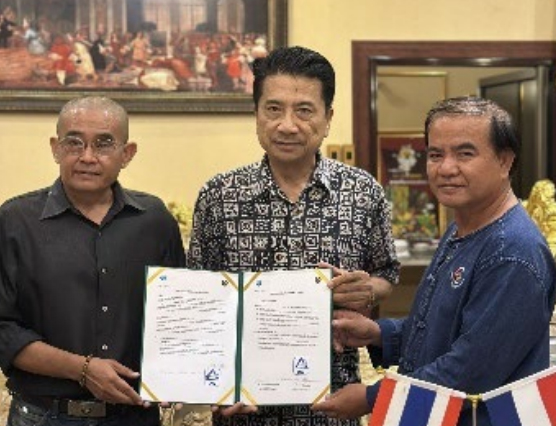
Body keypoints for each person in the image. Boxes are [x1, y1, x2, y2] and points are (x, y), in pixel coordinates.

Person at [188, 45, 400, 426]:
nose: (287, 125)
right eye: (273, 109)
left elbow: (387, 274)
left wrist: (366, 290)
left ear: (328, 117)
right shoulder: (219, 196)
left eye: (304, 110)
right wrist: (215, 385)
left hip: (332, 407)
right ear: (256, 114)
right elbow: (200, 304)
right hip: (242, 408)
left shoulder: (363, 192)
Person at [312, 96, 556, 426]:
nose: (446, 168)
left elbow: (468, 370)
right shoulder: (462, 227)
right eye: (435, 155)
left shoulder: (512, 252)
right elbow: (437, 330)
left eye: (465, 153)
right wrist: (377, 333)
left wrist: (371, 397)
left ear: (504, 161)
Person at [0, 96, 186, 426]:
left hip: (133, 416)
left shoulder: (155, 221)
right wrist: (82, 369)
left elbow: (180, 317)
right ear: (55, 148)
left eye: (103, 144)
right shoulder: (15, 221)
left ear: (127, 154)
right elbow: (3, 330)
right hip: (43, 416)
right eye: (74, 143)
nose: (87, 156)